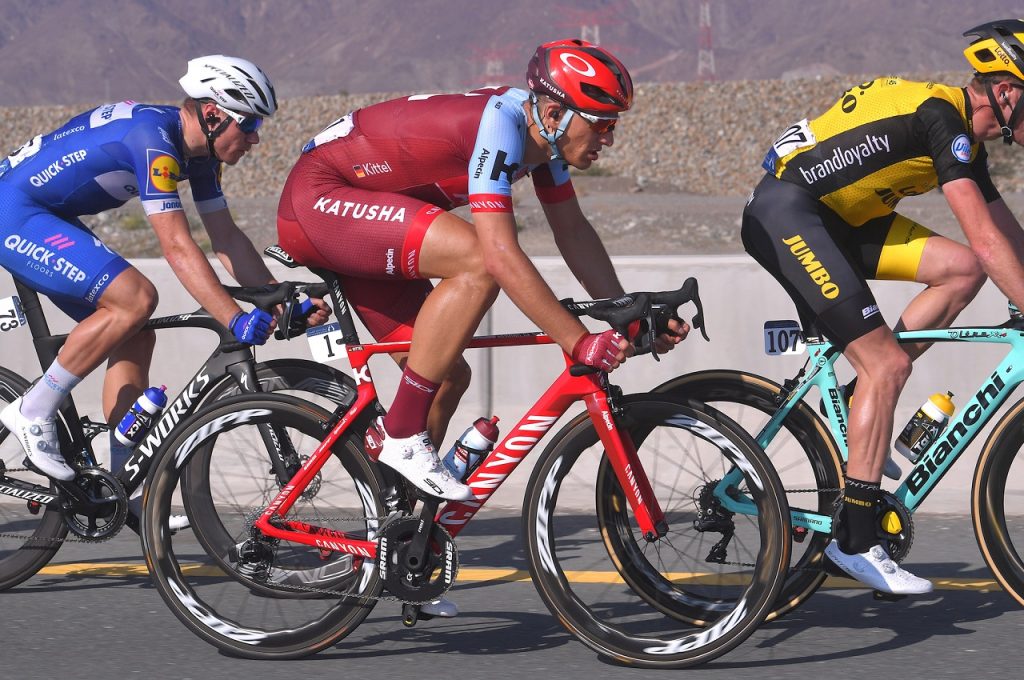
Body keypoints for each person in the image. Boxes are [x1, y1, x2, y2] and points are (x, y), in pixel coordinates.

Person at [278, 39, 686, 518]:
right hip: (320, 200)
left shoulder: (543, 141)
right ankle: (401, 435)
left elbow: (573, 233)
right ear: (555, 113)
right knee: (475, 258)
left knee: (447, 373)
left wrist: (625, 315)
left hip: (363, 213)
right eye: (602, 125)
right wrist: (577, 341)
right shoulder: (501, 127)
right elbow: (498, 254)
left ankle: (398, 527)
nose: (609, 139)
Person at [741, 19, 1024, 595]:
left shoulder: (956, 130)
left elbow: (1001, 239)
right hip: (789, 214)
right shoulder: (944, 122)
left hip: (838, 219)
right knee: (888, 365)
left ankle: (854, 401)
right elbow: (990, 239)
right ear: (1009, 91)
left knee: (961, 270)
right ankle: (856, 540)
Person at [0, 55, 327, 527]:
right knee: (135, 298)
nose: (256, 139)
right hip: (14, 212)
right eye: (250, 123)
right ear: (213, 115)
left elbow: (227, 238)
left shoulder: (200, 157)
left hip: (45, 213)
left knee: (136, 332)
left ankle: (119, 485)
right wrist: (233, 317)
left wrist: (279, 296)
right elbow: (176, 245)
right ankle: (34, 410)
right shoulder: (155, 142)